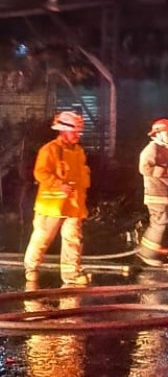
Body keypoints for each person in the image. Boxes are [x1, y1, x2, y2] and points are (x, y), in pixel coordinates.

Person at [24, 109, 91, 287]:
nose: (77, 134)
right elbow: (40, 173)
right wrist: (58, 184)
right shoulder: (49, 150)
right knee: (42, 237)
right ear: (62, 130)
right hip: (51, 205)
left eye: (79, 131)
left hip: (73, 205)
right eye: (74, 131)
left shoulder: (79, 152)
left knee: (73, 239)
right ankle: (31, 267)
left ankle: (71, 274)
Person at [137, 118, 168, 265]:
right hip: (156, 195)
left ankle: (160, 256)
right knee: (160, 224)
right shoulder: (152, 148)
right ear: (158, 133)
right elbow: (144, 168)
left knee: (167, 225)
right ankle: (148, 255)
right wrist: (167, 171)